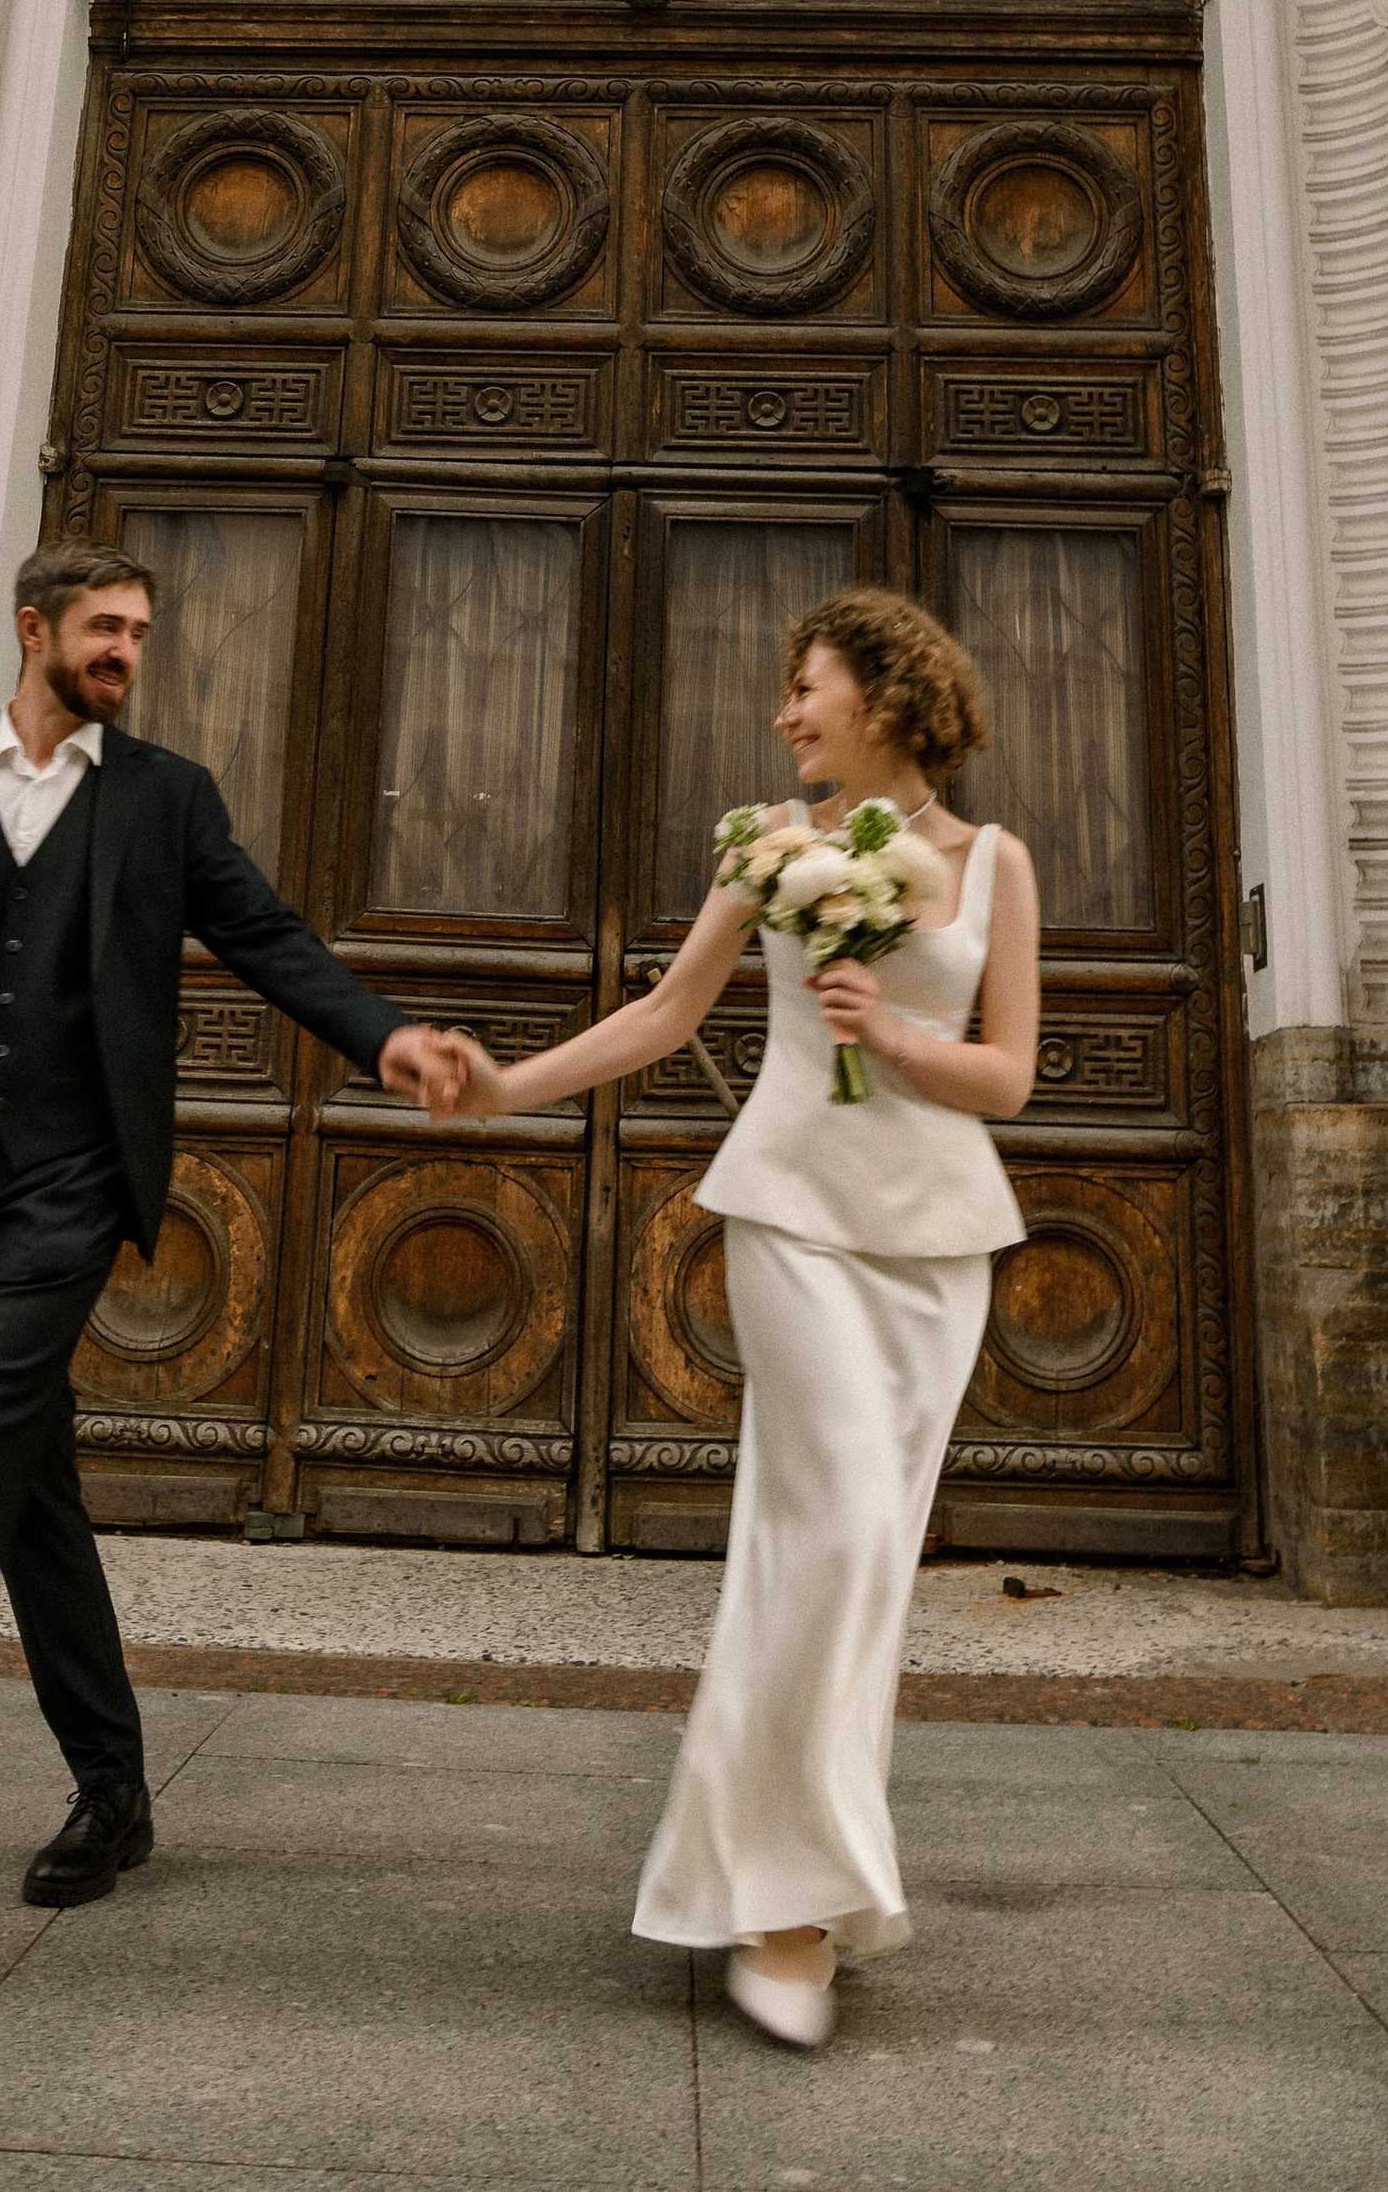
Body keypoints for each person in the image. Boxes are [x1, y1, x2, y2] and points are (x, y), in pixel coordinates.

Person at [0, 541, 468, 1962]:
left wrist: (381, 1032)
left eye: (140, 632)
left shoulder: (165, 802)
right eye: (104, 628)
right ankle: (115, 1789)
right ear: (33, 628)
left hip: (76, 1186)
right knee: (27, 1494)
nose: (125, 653)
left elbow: (268, 936)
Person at [441, 588, 1038, 2048]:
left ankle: (798, 1889)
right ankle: (783, 1908)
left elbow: (1008, 1077)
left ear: (891, 700)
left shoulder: (997, 862)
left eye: (806, 688)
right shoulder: (775, 844)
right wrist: (507, 1090)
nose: (784, 713)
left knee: (867, 1565)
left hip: (939, 1241)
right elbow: (665, 1014)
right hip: (792, 1216)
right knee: (824, 1533)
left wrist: (893, 1033)